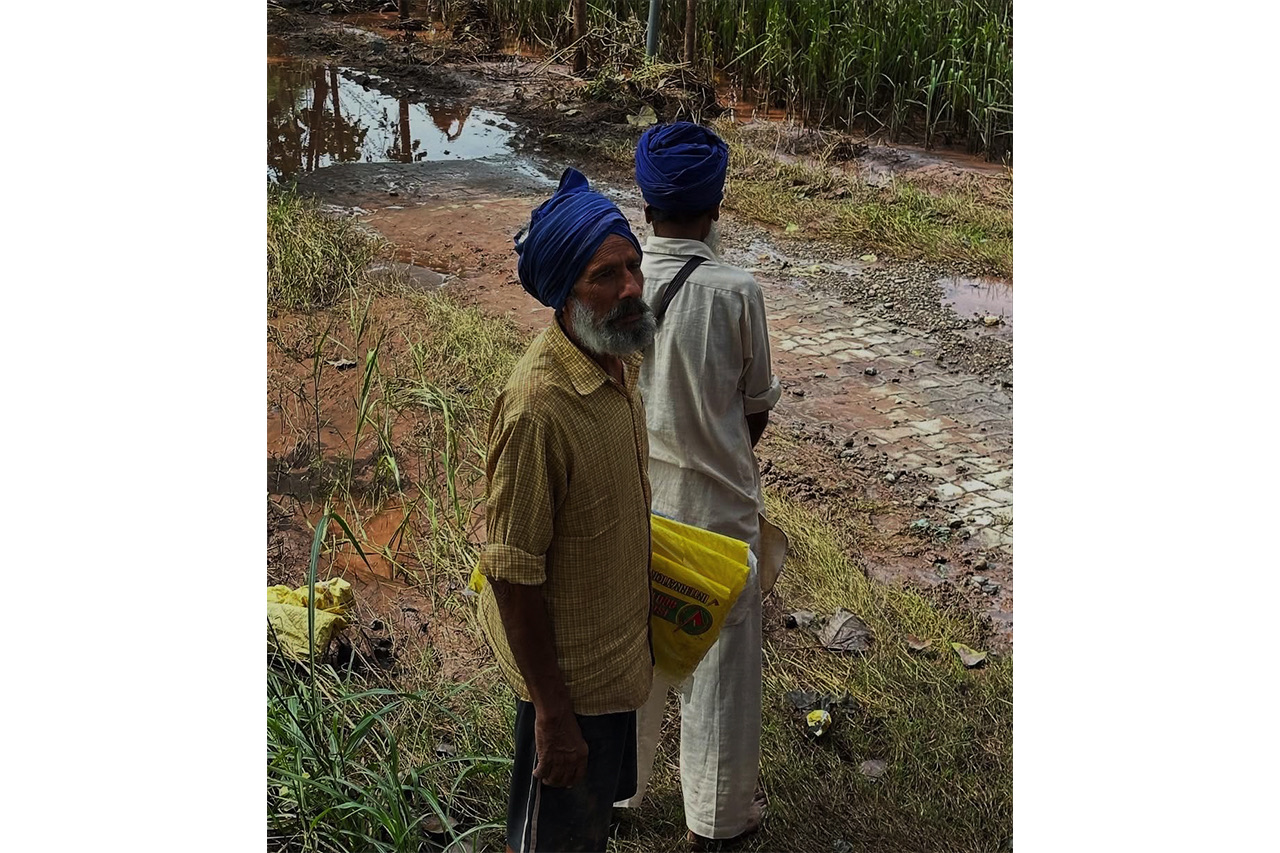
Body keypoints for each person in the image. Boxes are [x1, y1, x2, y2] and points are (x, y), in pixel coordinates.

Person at [476, 167, 658, 853]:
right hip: (568, 686)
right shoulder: (536, 409)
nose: (630, 288)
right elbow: (512, 572)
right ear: (564, 295)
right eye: (605, 276)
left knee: (590, 826)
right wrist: (553, 714)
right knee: (554, 840)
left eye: (633, 266)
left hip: (617, 663)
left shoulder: (617, 357)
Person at [619, 122, 782, 850]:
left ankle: (615, 788)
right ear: (716, 205)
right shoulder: (736, 291)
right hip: (717, 515)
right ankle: (717, 822)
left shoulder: (620, 282)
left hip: (639, 507)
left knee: (636, 655)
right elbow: (755, 412)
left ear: (645, 205)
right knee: (719, 670)